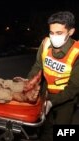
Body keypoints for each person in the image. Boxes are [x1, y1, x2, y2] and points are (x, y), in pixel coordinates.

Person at [26, 11, 79, 141]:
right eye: (51, 32)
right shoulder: (46, 43)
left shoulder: (77, 52)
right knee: (45, 129)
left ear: (71, 32)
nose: (54, 36)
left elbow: (74, 87)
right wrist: (28, 83)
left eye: (59, 33)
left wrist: (52, 102)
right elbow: (38, 66)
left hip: (66, 99)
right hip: (45, 94)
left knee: (63, 132)